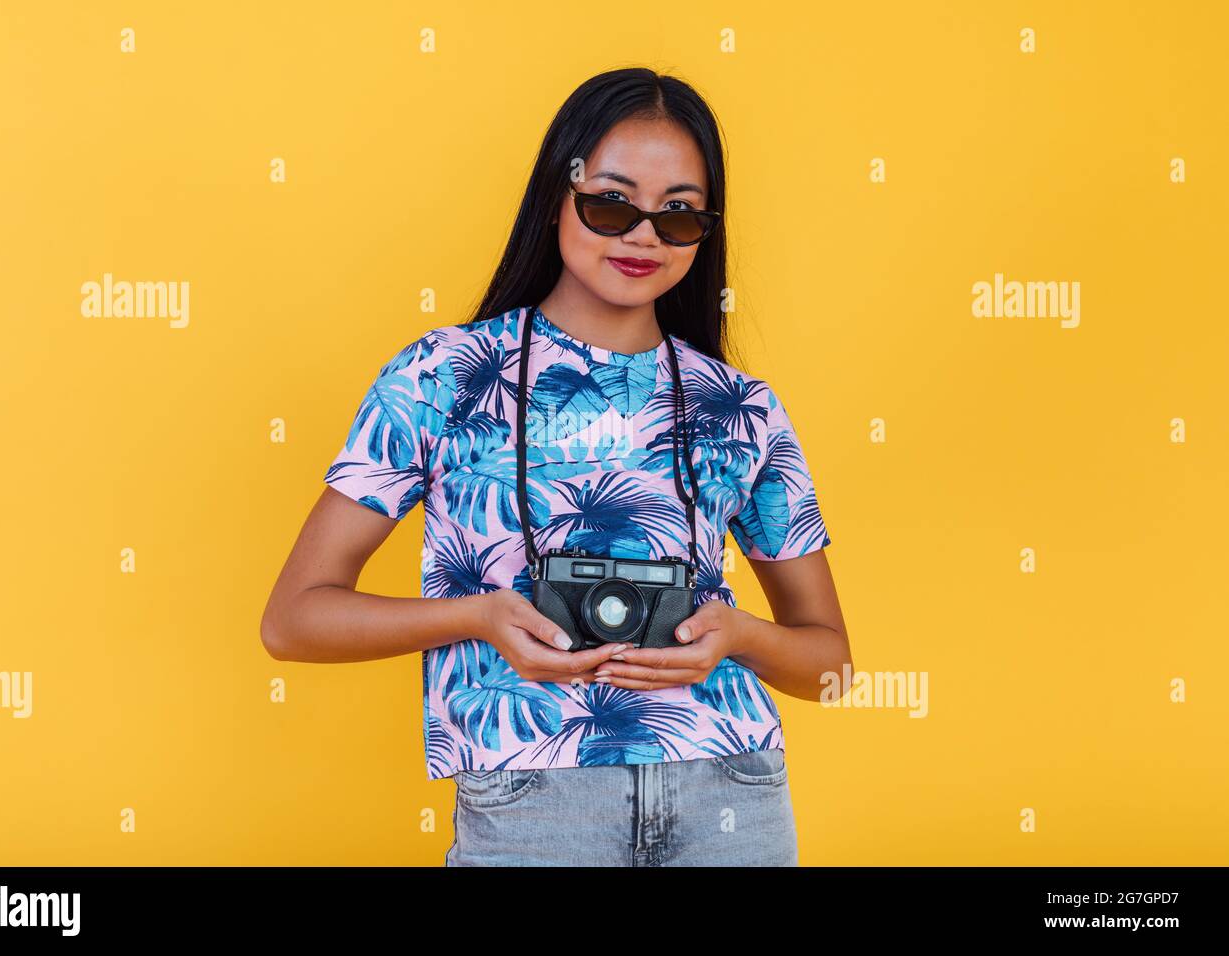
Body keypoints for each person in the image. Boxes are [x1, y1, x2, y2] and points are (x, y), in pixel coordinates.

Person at [260, 66, 852, 867]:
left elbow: (830, 669)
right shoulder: (445, 375)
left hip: (730, 791)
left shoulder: (738, 404)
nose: (643, 235)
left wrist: (737, 634)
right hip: (536, 807)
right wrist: (476, 617)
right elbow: (293, 621)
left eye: (678, 215)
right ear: (556, 194)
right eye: (612, 202)